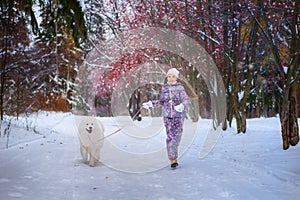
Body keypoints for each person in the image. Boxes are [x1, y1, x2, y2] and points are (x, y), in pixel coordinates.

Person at [143, 68, 189, 169]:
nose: (171, 78)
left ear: (176, 78)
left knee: (176, 137)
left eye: (173, 76)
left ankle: (174, 153)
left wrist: (181, 105)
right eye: (169, 76)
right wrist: (151, 104)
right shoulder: (164, 88)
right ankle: (173, 159)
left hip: (178, 116)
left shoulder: (180, 88)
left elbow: (186, 100)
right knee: (170, 138)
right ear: (167, 77)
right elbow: (162, 102)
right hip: (167, 116)